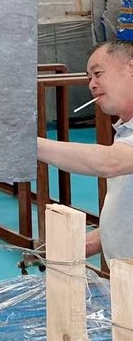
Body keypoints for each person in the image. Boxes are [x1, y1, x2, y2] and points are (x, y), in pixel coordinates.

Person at [37, 40, 133, 261]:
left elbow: (110, 162)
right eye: (89, 78)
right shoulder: (124, 132)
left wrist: (27, 144)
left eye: (98, 74)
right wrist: (88, 244)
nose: (92, 85)